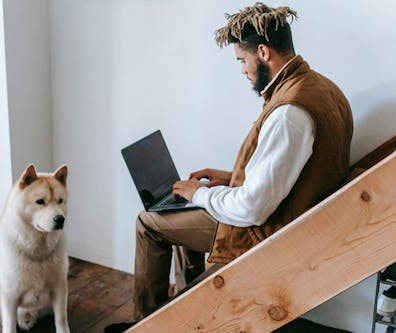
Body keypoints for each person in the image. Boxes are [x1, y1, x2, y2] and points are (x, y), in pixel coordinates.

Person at [106, 2, 353, 332]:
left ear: (263, 52)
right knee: (178, 210)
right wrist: (230, 179)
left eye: (242, 59)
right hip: (296, 219)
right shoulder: (321, 88)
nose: (242, 70)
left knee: (150, 223)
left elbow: (252, 208)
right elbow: (290, 173)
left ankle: (148, 326)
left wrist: (201, 196)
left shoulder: (289, 112)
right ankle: (189, 312)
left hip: (269, 234)